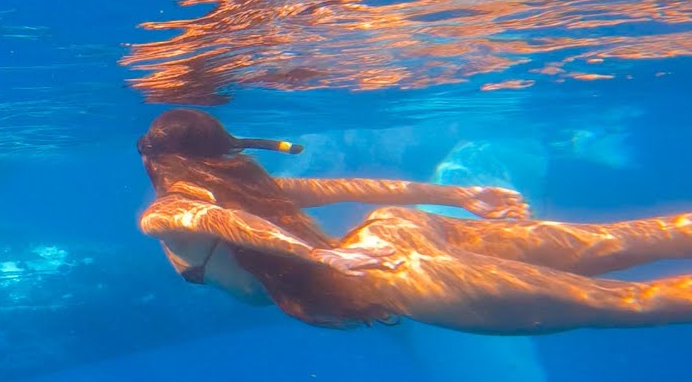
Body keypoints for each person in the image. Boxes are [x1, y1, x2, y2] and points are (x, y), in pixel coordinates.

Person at [136, 108, 692, 336]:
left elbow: (222, 222)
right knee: (614, 242)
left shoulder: (165, 214)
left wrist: (322, 256)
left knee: (631, 301)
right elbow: (347, 189)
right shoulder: (251, 186)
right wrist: (458, 194)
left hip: (392, 272)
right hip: (395, 231)